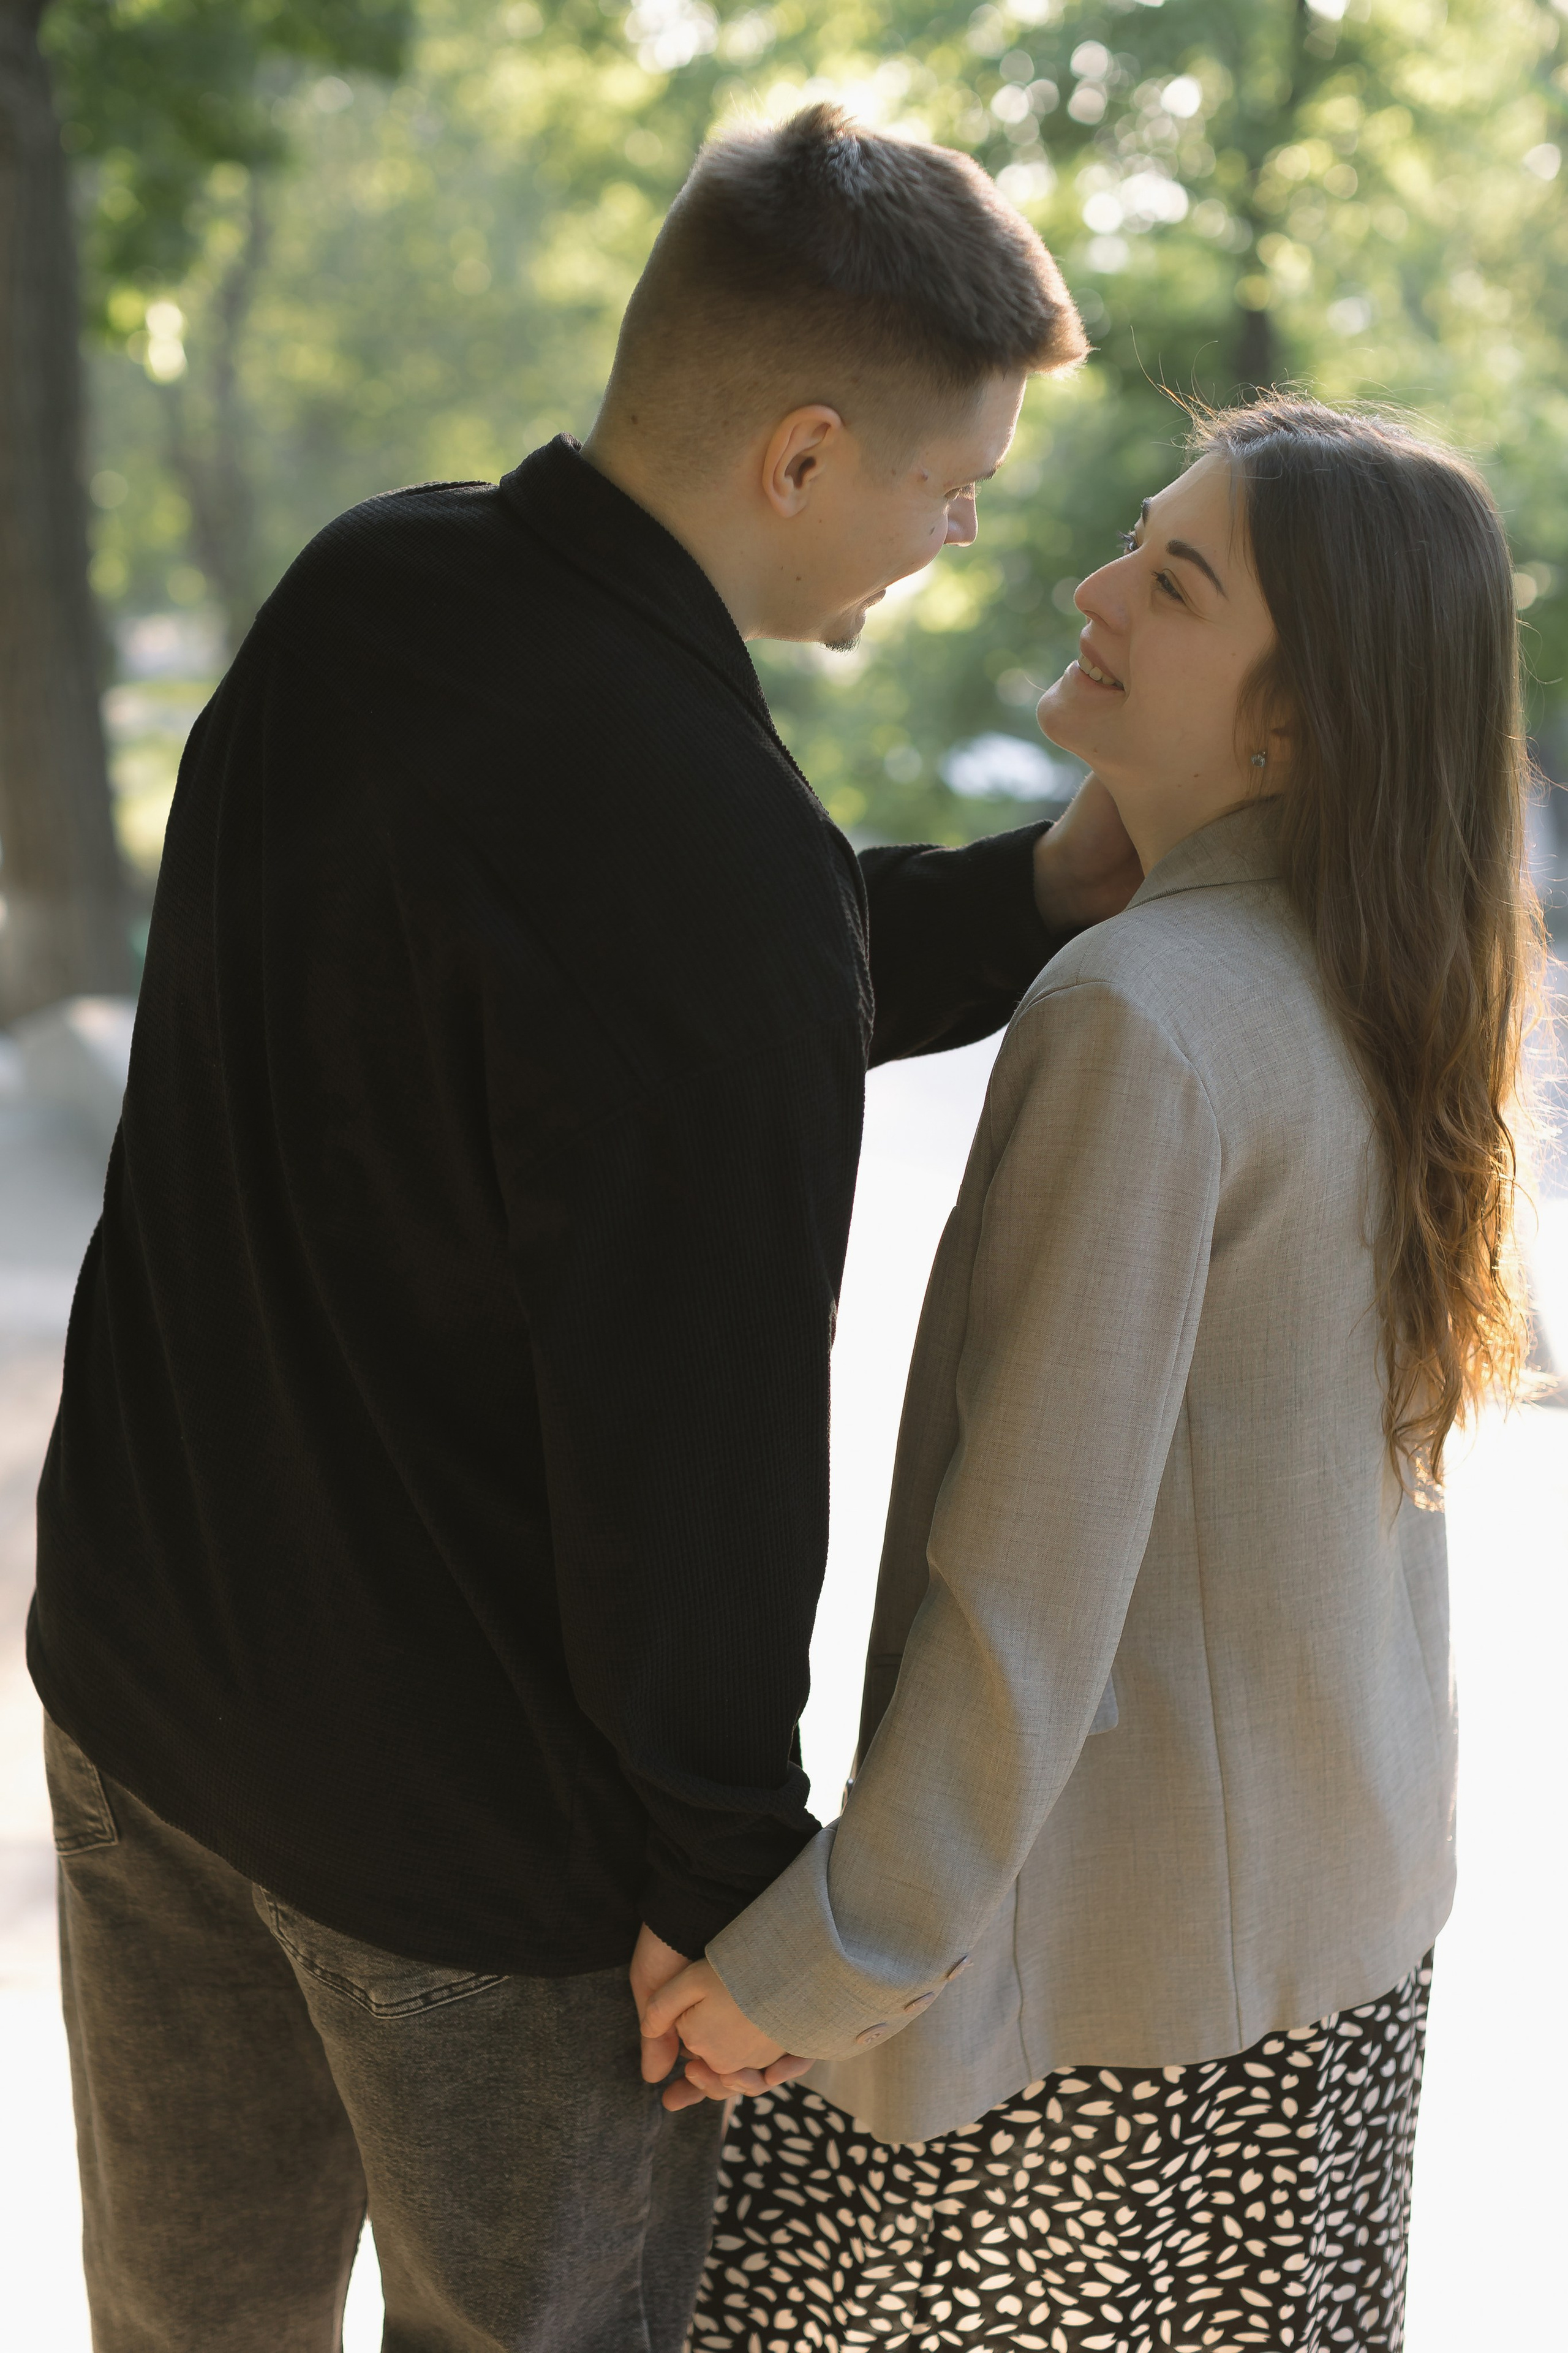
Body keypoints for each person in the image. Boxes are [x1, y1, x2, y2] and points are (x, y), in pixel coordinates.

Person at [27, 104, 1145, 2353]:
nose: (955, 538)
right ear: (807, 452)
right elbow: (696, 1454)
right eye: (955, 485)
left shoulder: (373, 588)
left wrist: (1034, 900)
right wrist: (727, 1880)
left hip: (151, 1701)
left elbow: (636, 977)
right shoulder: (703, 846)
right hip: (472, 1861)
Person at [647, 399, 1540, 2353]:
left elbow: (1023, 1598)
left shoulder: (1148, 1015)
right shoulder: (1376, 978)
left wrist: (817, 1961)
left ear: (1294, 720)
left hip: (1085, 2039)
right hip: (1326, 1973)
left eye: (1174, 578)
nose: (1092, 586)